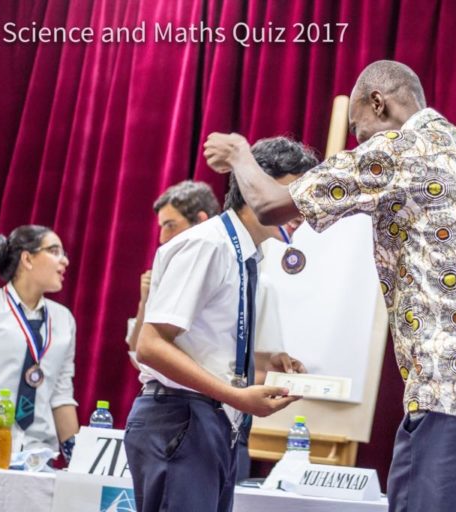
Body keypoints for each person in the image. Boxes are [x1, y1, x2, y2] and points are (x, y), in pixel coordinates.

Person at [203, 60, 456, 512]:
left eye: (358, 131)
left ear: (379, 103)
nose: (359, 143)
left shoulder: (394, 150)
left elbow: (270, 205)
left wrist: (239, 154)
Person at [124, 136, 315, 512]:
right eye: (294, 192)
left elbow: (206, 345)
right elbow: (150, 345)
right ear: (254, 184)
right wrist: (235, 396)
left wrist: (264, 364)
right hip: (182, 416)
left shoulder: (247, 254)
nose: (302, 208)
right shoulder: (208, 244)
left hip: (212, 419)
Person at [0, 225, 79, 462]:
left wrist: (78, 462)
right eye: (54, 251)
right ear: (27, 259)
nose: (65, 261)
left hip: (38, 457)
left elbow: (61, 395)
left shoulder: (64, 320)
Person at [126, 180, 221, 358]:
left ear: (201, 221)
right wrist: (145, 302)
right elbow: (137, 352)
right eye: (162, 227)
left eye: (170, 225)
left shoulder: (232, 276)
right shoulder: (165, 275)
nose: (162, 238)